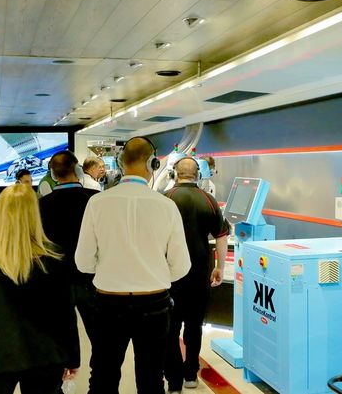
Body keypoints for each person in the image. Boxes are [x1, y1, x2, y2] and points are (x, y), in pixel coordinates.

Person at [75, 136, 191, 394]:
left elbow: (83, 262)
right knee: (151, 379)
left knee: (103, 377)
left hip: (108, 303)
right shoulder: (167, 206)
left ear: (120, 162)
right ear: (153, 164)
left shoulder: (97, 203)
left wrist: (109, 267)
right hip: (154, 304)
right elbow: (181, 266)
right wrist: (154, 272)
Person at [0, 184, 80, 394]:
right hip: (45, 355)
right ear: (34, 216)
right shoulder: (54, 257)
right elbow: (65, 314)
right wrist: (72, 357)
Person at [163, 157, 229, 392]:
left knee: (171, 328)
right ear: (198, 175)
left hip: (170, 275)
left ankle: (174, 382)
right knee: (194, 326)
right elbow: (221, 235)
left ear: (174, 174)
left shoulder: (166, 198)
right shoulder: (208, 200)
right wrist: (220, 267)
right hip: (199, 274)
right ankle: (191, 374)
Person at [39, 150, 99, 344]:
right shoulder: (95, 200)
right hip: (91, 277)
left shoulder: (41, 205)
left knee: (60, 338)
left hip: (55, 278)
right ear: (78, 170)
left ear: (53, 174)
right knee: (99, 337)